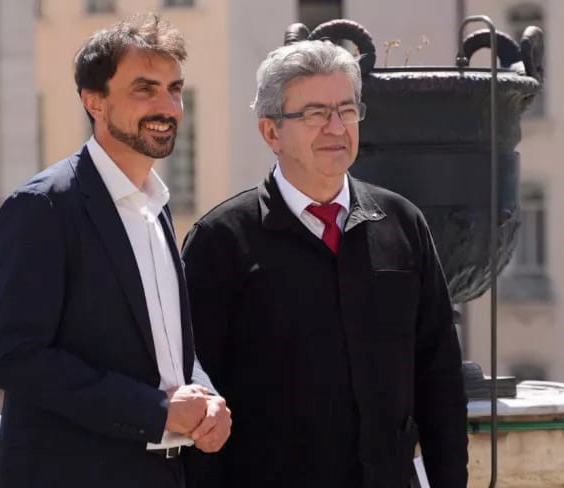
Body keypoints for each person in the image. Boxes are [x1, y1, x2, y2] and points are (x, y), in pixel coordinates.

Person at [182, 40, 468, 487]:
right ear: (271, 132)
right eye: (315, 113)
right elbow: (197, 401)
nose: (336, 127)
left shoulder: (402, 223)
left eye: (347, 110)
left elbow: (440, 378)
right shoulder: (219, 242)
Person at [0, 13, 230, 488]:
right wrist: (156, 412)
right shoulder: (43, 206)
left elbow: (165, 350)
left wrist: (207, 398)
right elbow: (14, 356)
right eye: (145, 88)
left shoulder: (156, 205)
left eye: (174, 88)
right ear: (93, 101)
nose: (168, 106)